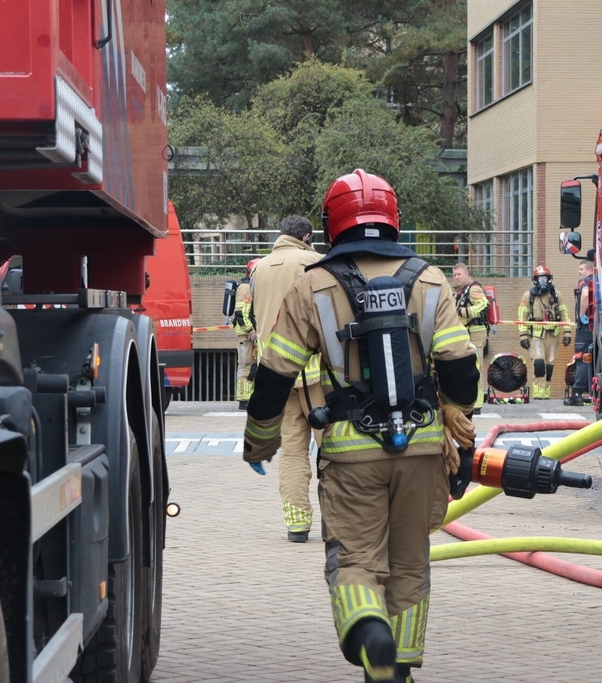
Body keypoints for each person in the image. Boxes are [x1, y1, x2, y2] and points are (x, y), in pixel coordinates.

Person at [243, 169, 479, 683]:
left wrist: (258, 443)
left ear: (332, 225)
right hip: (421, 450)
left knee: (355, 562)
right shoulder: (432, 279)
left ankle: (369, 631)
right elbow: (461, 367)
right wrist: (459, 419)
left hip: (352, 457)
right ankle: (398, 671)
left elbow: (274, 374)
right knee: (411, 564)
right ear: (392, 220)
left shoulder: (315, 285)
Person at [250, 215, 323, 542]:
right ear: (306, 236)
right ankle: (340, 522)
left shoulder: (259, 269)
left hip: (278, 378)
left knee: (292, 452)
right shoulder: (314, 262)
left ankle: (297, 524)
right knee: (337, 451)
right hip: (318, 375)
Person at [517, 265, 570, 399]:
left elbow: (564, 314)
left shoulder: (557, 295)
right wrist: (523, 335)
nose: (543, 282)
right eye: (540, 279)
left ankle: (546, 393)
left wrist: (567, 332)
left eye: (544, 278)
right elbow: (522, 315)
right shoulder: (529, 295)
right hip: (536, 336)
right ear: (535, 280)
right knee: (539, 363)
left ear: (549, 279)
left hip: (553, 335)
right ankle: (539, 393)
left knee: (550, 364)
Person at [452, 263, 488, 414]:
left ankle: (477, 404)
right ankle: (470, 401)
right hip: (466, 332)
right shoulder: (460, 292)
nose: (456, 277)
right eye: (454, 275)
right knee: (467, 367)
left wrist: (463, 311)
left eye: (459, 274)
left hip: (476, 331)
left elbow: (483, 306)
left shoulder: (474, 289)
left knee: (476, 366)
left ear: (466, 274)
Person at [565, 257, 595, 406]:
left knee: (582, 357)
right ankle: (592, 391)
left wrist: (583, 315)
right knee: (591, 358)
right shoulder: (598, 281)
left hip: (585, 327)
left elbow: (584, 295)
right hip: (595, 326)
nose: (579, 272)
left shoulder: (585, 282)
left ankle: (576, 393)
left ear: (589, 270)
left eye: (581, 269)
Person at [232, 258, 260, 409]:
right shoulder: (246, 288)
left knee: (252, 367)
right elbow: (240, 314)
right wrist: (251, 331)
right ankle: (243, 401)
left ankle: (249, 398)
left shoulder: (251, 286)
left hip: (252, 335)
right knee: (245, 366)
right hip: (247, 336)